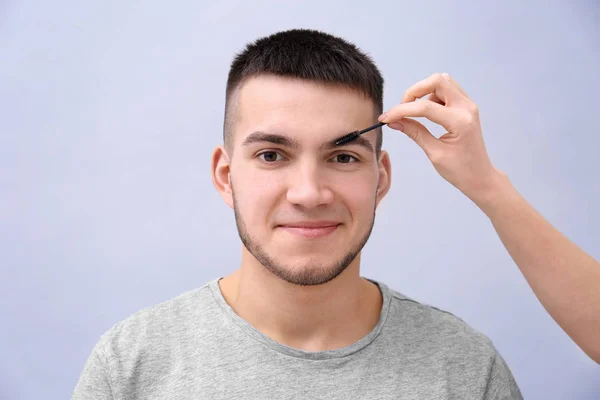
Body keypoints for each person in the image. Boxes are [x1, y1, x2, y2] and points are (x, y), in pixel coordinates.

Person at [73, 27, 565, 399]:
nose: (308, 193)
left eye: (343, 157)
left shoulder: (464, 370)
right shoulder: (131, 366)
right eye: (271, 155)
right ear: (225, 176)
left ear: (382, 178)